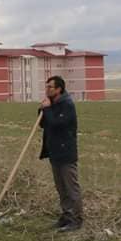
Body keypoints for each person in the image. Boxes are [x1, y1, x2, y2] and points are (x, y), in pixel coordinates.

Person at [39, 75, 83, 232]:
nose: (47, 89)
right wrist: (43, 108)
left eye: (50, 87)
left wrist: (47, 109)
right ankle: (66, 216)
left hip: (66, 152)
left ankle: (77, 219)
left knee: (71, 188)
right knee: (61, 188)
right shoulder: (53, 104)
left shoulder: (67, 105)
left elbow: (57, 124)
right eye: (46, 86)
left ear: (59, 89)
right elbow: (44, 123)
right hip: (54, 152)